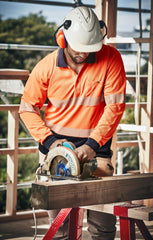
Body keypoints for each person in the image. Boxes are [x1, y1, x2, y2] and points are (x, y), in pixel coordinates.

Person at [19, 6, 126, 240]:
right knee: (60, 228)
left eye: (90, 49)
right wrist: (51, 142)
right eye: (79, 50)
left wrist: (92, 144)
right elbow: (27, 109)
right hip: (56, 151)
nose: (84, 55)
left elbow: (115, 106)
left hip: (97, 149)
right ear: (62, 39)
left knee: (103, 225)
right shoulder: (46, 66)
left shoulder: (111, 58)